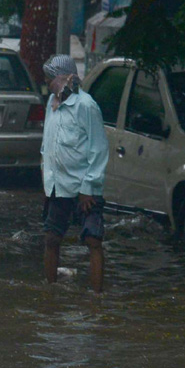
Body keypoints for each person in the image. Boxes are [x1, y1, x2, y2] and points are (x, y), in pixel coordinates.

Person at [40, 53, 108, 292]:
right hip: (58, 187)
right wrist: (48, 184)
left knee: (93, 241)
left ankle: (96, 298)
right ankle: (50, 292)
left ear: (63, 79)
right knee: (51, 239)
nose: (47, 83)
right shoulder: (52, 105)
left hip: (84, 189)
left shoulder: (86, 106)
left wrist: (88, 189)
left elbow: (98, 150)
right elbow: (47, 145)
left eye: (50, 78)